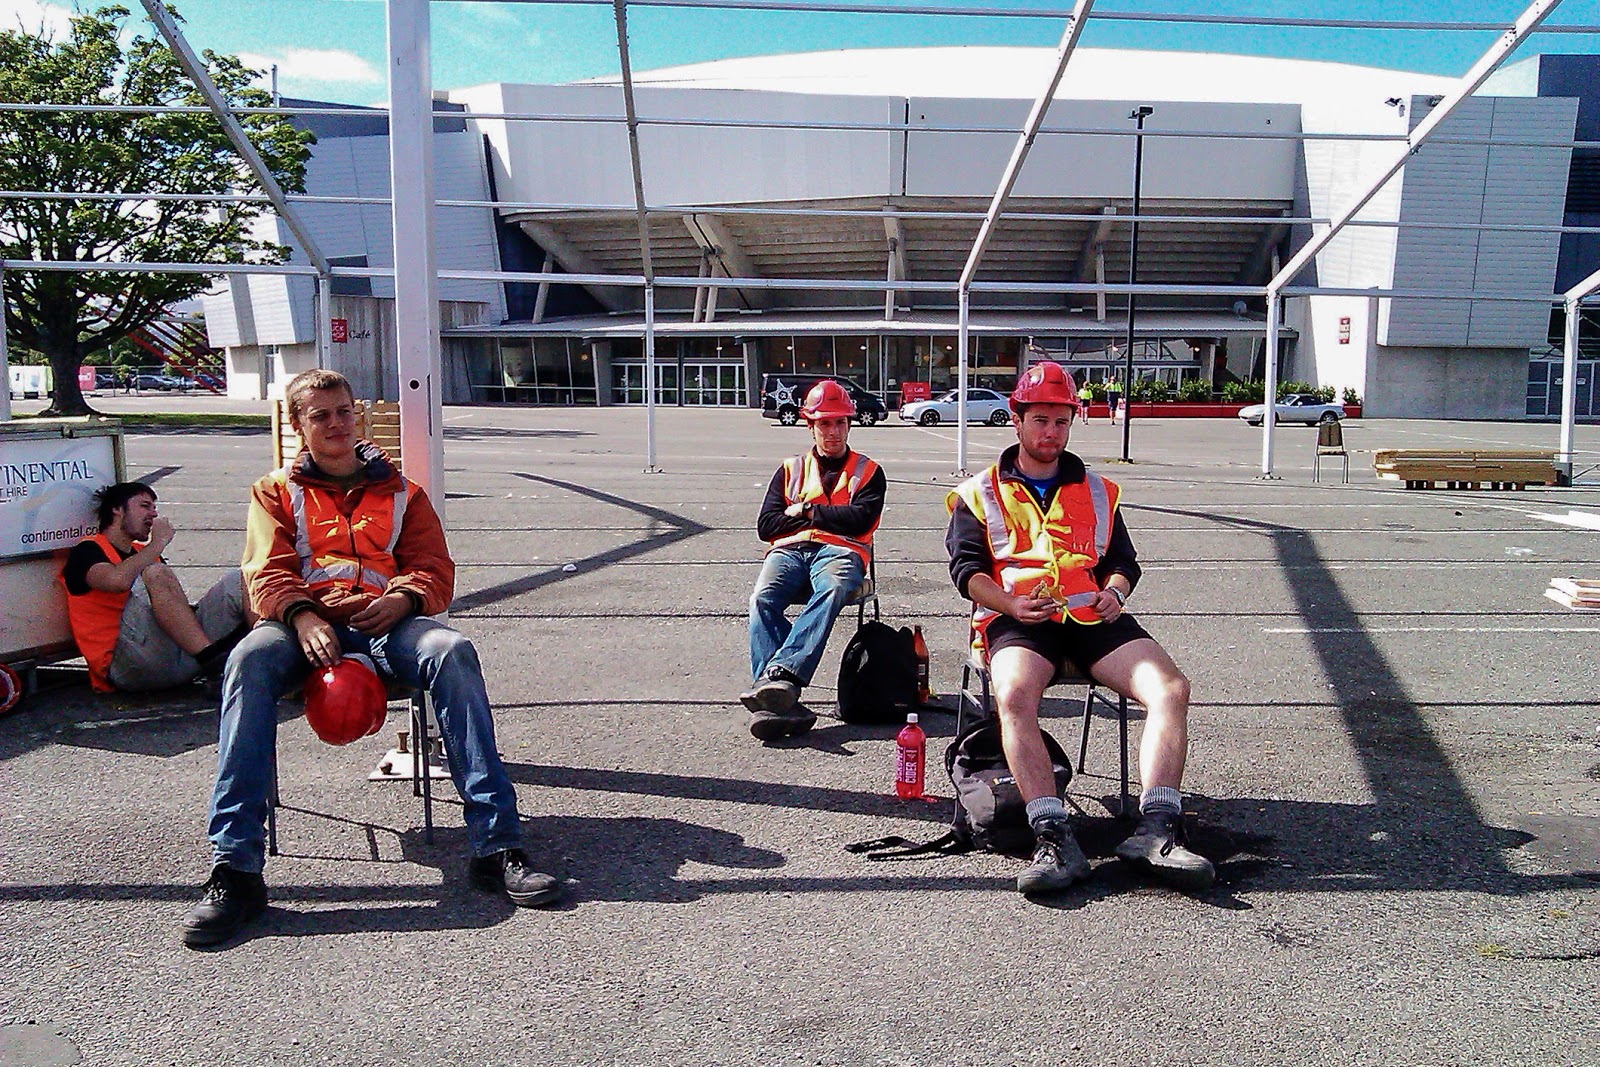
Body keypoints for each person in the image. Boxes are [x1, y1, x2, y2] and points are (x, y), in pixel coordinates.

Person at [180, 369, 559, 948]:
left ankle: (497, 846)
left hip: (385, 626)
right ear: (299, 425)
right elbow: (263, 572)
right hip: (301, 627)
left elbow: (434, 568)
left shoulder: (404, 492)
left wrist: (404, 599)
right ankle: (236, 869)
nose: (335, 424)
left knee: (452, 651)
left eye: (343, 411)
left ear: (356, 416)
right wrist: (302, 616)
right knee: (247, 661)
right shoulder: (273, 491)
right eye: (320, 415)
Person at [945, 361, 1213, 896]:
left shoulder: (1098, 489)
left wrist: (1116, 592)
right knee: (1014, 695)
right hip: (1019, 620)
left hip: (1092, 617)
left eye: (1061, 421)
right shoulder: (978, 492)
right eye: (1040, 420)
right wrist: (1011, 604)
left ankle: (1158, 829)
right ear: (1016, 420)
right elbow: (967, 572)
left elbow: (1123, 561)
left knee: (1171, 689)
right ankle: (1053, 836)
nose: (1051, 432)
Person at [741, 379, 886, 741]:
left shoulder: (869, 471)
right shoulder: (790, 469)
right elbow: (766, 525)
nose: (833, 431)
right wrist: (828, 517)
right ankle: (780, 700)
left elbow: (861, 520)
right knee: (761, 599)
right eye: (824, 423)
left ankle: (781, 677)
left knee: (833, 588)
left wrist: (806, 511)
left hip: (841, 551)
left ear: (849, 424)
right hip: (789, 551)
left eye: (840, 422)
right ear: (810, 425)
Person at [60, 482, 249, 693]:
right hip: (126, 667)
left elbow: (177, 610)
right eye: (144, 506)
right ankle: (214, 663)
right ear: (117, 509)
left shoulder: (144, 552)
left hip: (175, 656)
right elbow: (117, 581)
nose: (153, 514)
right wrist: (157, 544)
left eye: (154, 508)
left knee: (241, 580)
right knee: (155, 572)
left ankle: (260, 658)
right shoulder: (88, 550)